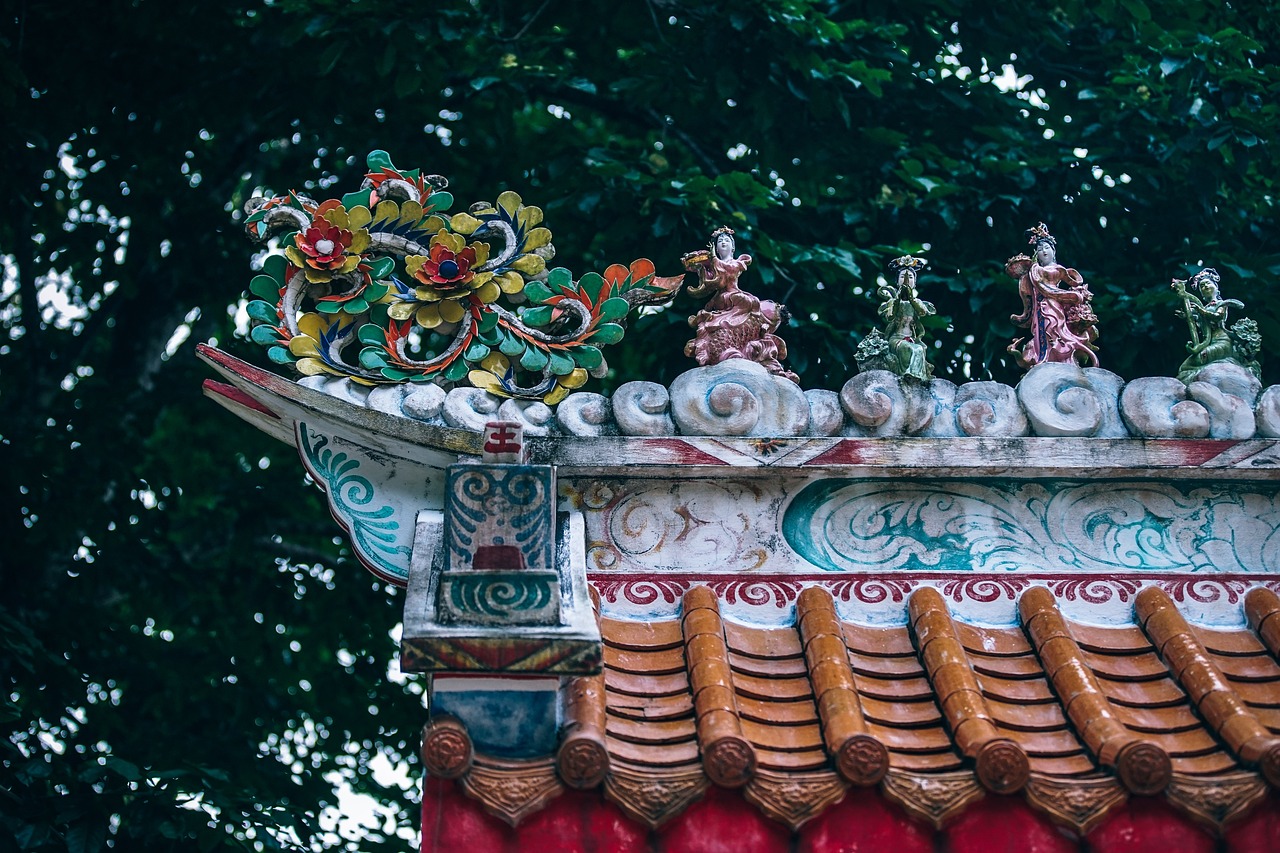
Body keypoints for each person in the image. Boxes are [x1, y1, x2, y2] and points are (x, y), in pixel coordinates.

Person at [1007, 223, 1100, 369]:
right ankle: (1042, 358)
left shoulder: (1059, 269)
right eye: (1039, 249)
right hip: (1040, 305)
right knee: (1042, 329)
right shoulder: (1034, 270)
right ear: (1036, 254)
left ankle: (1064, 358)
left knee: (1056, 327)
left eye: (1046, 248)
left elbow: (1075, 281)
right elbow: (1027, 290)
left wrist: (1076, 294)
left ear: (1053, 250)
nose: (1043, 252)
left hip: (1055, 304)